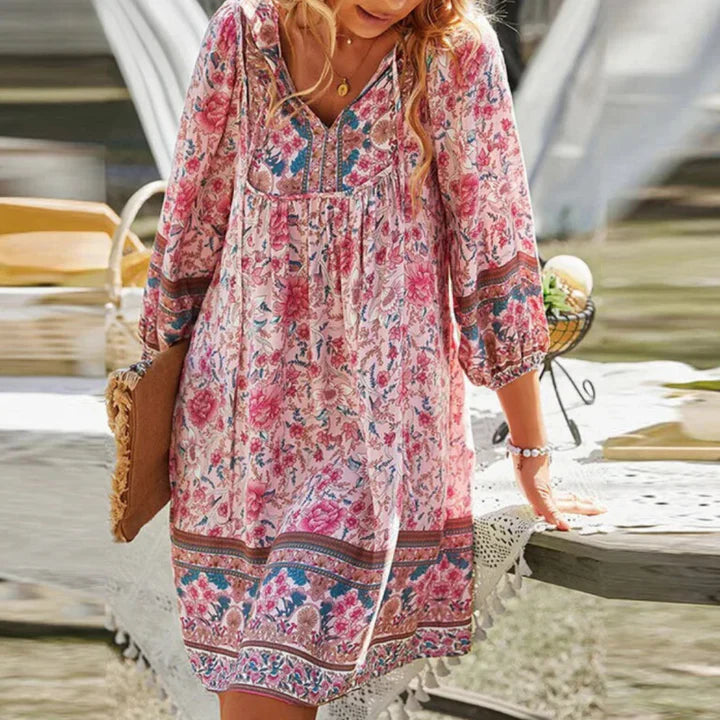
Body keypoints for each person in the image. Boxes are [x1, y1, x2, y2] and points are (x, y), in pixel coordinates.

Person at [136, 0, 607, 717]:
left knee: (269, 680)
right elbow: (189, 228)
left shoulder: (454, 55)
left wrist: (531, 450)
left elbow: (495, 253)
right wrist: (150, 396)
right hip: (237, 441)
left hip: (377, 441)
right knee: (259, 686)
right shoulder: (241, 36)